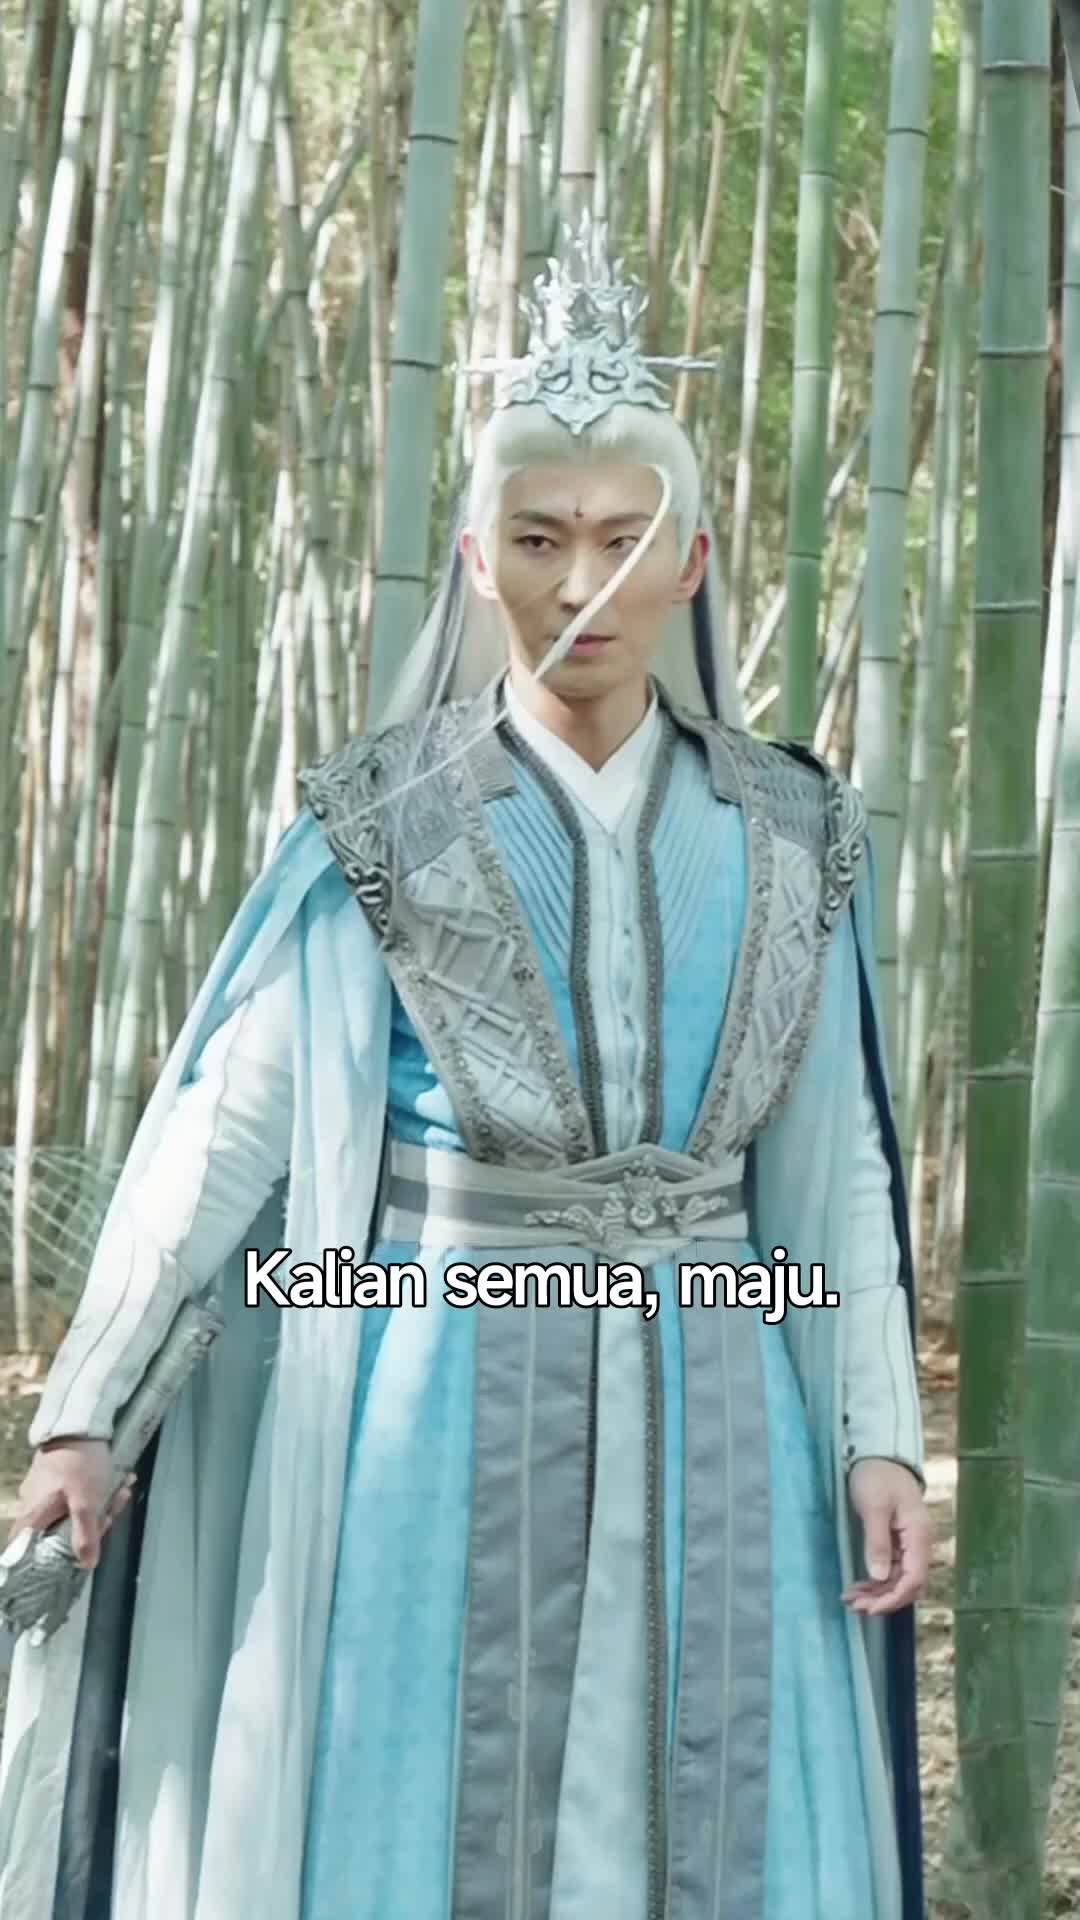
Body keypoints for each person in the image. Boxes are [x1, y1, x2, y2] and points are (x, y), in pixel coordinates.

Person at [0, 219, 930, 1920]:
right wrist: (89, 1406)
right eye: (540, 539)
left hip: (725, 1394)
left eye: (624, 541)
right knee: (424, 1806)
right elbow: (231, 1125)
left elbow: (836, 1175)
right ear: (475, 558)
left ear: (692, 560)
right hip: (430, 1396)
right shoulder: (388, 822)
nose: (583, 587)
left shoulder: (791, 833)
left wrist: (880, 1435)